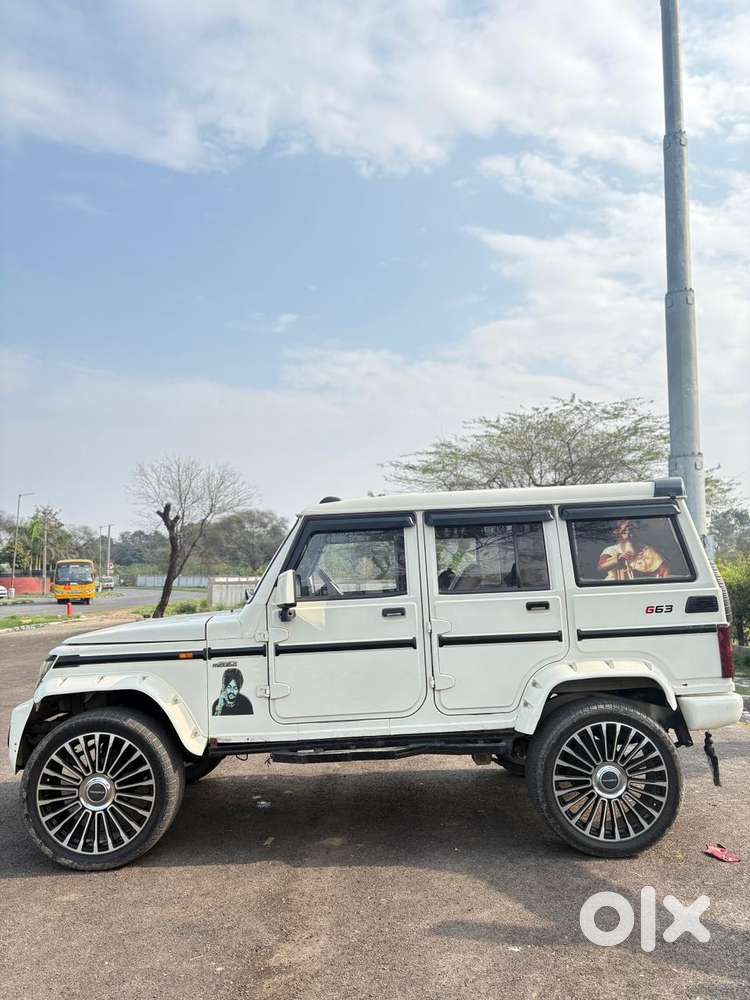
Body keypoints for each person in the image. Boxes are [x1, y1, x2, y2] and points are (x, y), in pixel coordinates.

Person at [597, 519, 671, 580]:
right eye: (625, 532)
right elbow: (600, 567)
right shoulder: (611, 550)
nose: (629, 535)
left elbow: (663, 569)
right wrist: (617, 559)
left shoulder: (646, 549)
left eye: (632, 531)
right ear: (619, 534)